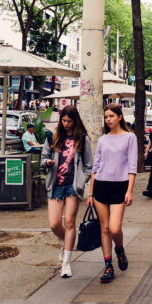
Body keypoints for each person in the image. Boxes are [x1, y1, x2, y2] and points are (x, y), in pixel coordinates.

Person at [42, 106, 94, 278]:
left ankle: (66, 263)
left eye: (69, 121)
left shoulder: (82, 139)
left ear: (75, 121)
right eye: (63, 120)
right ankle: (66, 241)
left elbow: (89, 165)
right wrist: (48, 162)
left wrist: (81, 181)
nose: (66, 124)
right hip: (55, 185)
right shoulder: (53, 136)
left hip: (72, 186)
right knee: (54, 224)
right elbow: (43, 158)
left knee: (70, 222)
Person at [88, 104, 137, 284]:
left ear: (119, 117)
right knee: (105, 228)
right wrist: (90, 193)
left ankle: (120, 248)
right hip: (101, 186)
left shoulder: (130, 137)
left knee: (115, 228)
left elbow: (132, 166)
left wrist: (130, 191)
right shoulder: (103, 140)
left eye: (111, 116)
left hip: (120, 186)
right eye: (106, 117)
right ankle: (108, 265)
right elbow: (95, 167)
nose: (108, 120)